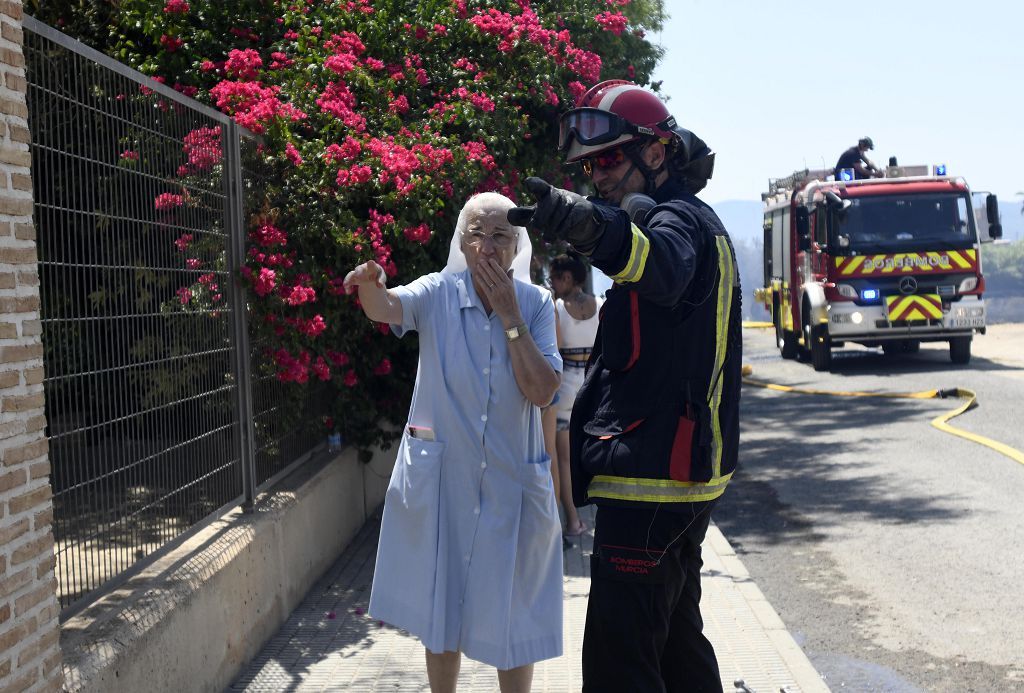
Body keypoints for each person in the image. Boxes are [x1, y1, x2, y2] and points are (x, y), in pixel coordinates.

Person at [508, 79, 742, 693]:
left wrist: (583, 225)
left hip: (654, 479)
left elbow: (655, 264)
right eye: (588, 167)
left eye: (609, 158)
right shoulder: (685, 220)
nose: (598, 175)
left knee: (620, 663)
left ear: (656, 153)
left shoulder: (680, 225)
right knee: (674, 645)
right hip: (671, 472)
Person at [344, 192, 564, 693]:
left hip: (511, 482)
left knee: (513, 617)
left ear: (517, 246)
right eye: (477, 235)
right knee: (441, 611)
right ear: (461, 243)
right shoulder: (439, 292)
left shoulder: (535, 304)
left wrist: (510, 317)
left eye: (501, 236)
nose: (488, 247)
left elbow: (543, 390)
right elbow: (387, 307)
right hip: (447, 482)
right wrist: (369, 285)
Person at [549, 252, 602, 538]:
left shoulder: (556, 308)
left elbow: (553, 349)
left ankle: (572, 521)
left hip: (566, 389)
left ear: (567, 278)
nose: (553, 284)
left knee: (564, 460)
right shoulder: (600, 305)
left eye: (555, 278)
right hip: (594, 389)